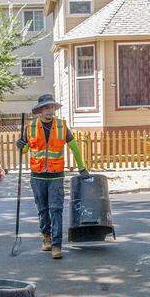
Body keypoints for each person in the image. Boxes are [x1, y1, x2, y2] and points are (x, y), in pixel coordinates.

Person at [17, 93, 89, 259]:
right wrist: (20, 145)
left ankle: (57, 245)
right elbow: (26, 149)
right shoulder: (30, 127)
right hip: (37, 176)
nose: (50, 111)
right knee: (42, 210)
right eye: (46, 108)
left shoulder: (62, 127)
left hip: (56, 176)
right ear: (40, 111)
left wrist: (82, 168)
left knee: (56, 209)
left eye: (52, 107)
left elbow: (75, 148)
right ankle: (46, 237)